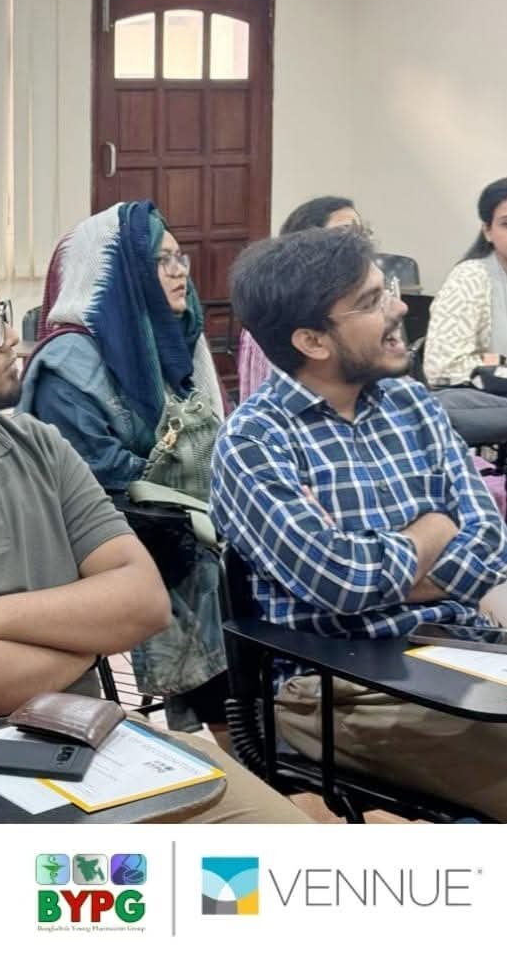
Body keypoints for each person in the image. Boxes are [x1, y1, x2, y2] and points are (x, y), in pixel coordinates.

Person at [0, 225, 311, 823]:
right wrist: (87, 643)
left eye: (2, 315)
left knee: (286, 841)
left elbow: (144, 602)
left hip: (88, 742)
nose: (11, 340)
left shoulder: (37, 443)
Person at [213, 225, 507, 819]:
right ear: (312, 340)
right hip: (340, 683)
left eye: (387, 289)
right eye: (372, 301)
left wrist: (384, 560)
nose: (399, 308)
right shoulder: (255, 442)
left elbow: (488, 544)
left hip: (458, 652)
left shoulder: (412, 405)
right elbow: (343, 582)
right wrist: (434, 530)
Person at [17, 201, 229, 733]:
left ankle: (261, 719)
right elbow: (97, 477)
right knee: (210, 566)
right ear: (120, 272)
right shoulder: (68, 366)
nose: (179, 273)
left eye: (180, 258)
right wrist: (196, 490)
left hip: (186, 515)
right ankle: (231, 728)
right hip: (119, 530)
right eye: (161, 261)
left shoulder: (174, 339)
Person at [237, 195, 361, 401]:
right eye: (344, 233)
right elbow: (261, 396)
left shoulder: (359, 307)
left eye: (361, 232)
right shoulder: (272, 314)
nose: (358, 243)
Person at [424, 177, 507, 386]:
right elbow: (443, 366)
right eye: (506, 224)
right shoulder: (469, 278)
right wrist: (500, 362)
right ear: (487, 231)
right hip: (489, 398)